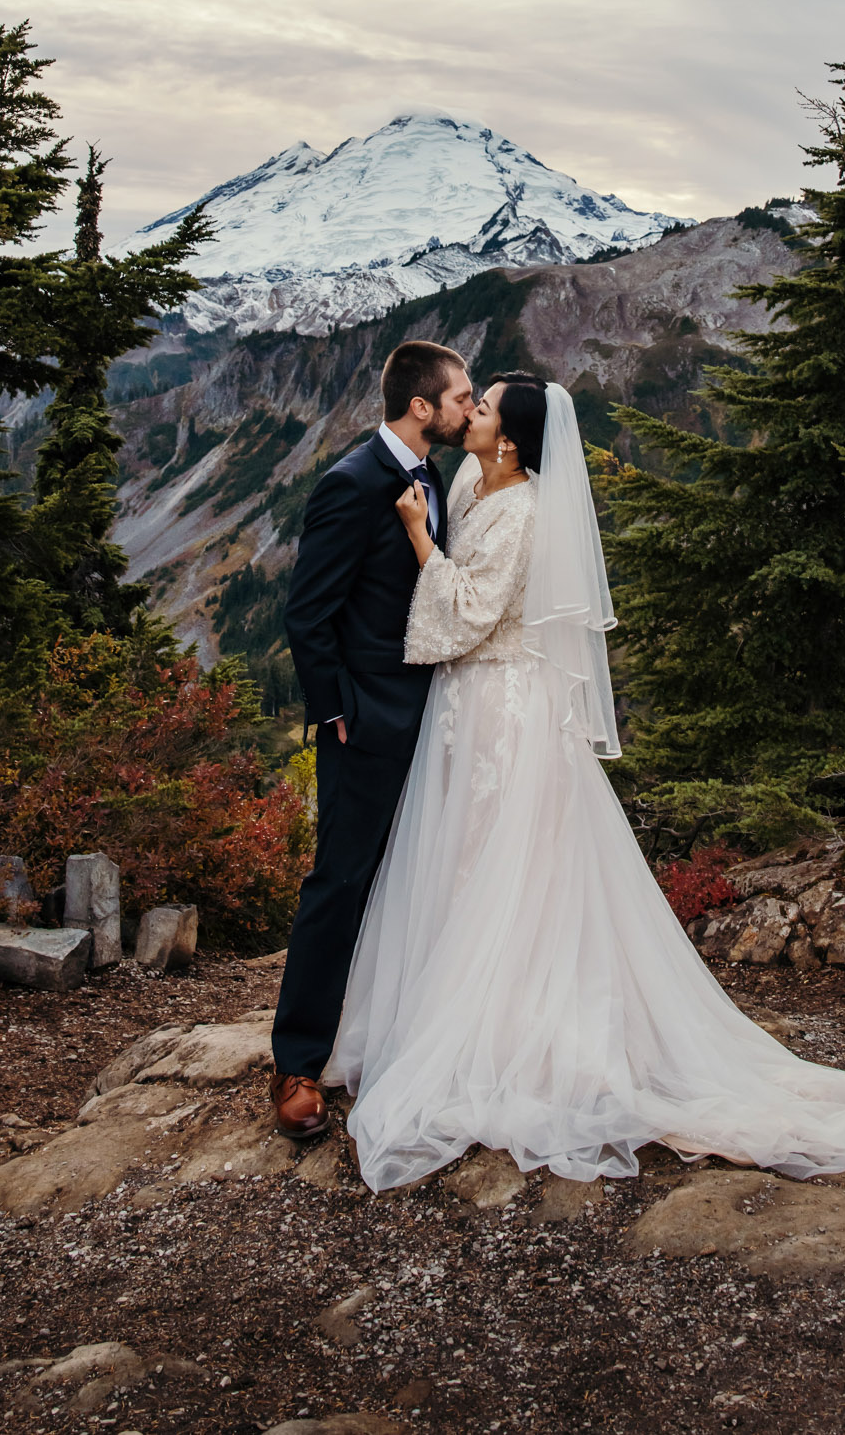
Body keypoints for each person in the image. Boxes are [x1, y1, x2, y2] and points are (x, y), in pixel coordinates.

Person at [325, 372, 845, 1191]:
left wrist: (421, 539)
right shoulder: (470, 478)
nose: (472, 412)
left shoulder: (524, 509)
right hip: (465, 706)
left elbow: (468, 614)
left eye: (485, 407)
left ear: (510, 439)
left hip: (503, 706)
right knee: (460, 859)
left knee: (503, 862)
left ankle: (504, 1031)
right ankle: (447, 1010)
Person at [269, 338, 474, 1141]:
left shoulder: (437, 480)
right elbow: (306, 611)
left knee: (421, 879)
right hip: (366, 722)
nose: (468, 407)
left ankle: (400, 1036)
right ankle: (295, 1064)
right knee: (339, 883)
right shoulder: (351, 483)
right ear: (420, 406)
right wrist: (332, 712)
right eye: (460, 396)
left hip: (433, 717)